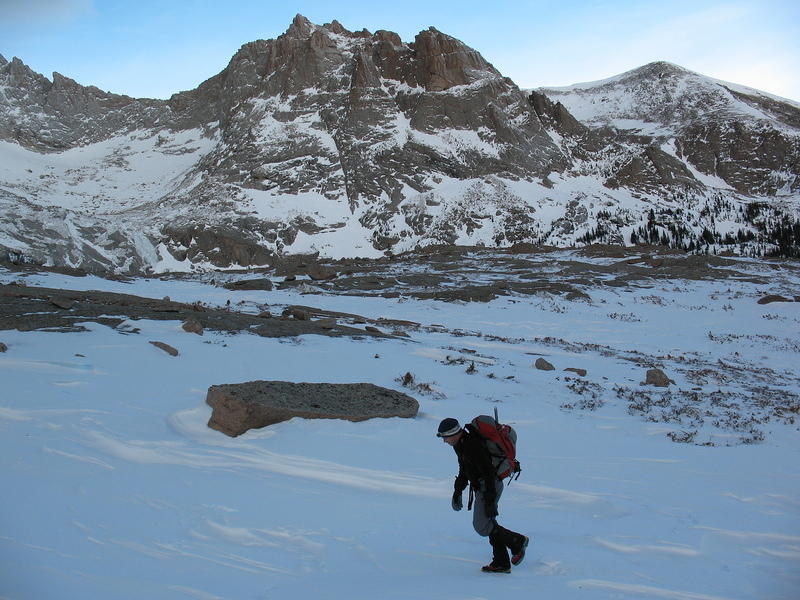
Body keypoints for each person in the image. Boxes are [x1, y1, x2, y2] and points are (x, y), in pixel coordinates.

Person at [437, 417, 529, 573]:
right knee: (489, 523)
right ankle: (501, 562)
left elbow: (487, 472)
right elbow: (464, 470)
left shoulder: (471, 445)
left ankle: (517, 541)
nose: (445, 441)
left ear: (453, 433)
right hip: (483, 486)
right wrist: (458, 491)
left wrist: (489, 499)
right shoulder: (460, 444)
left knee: (482, 526)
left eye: (445, 437)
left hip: (489, 486)